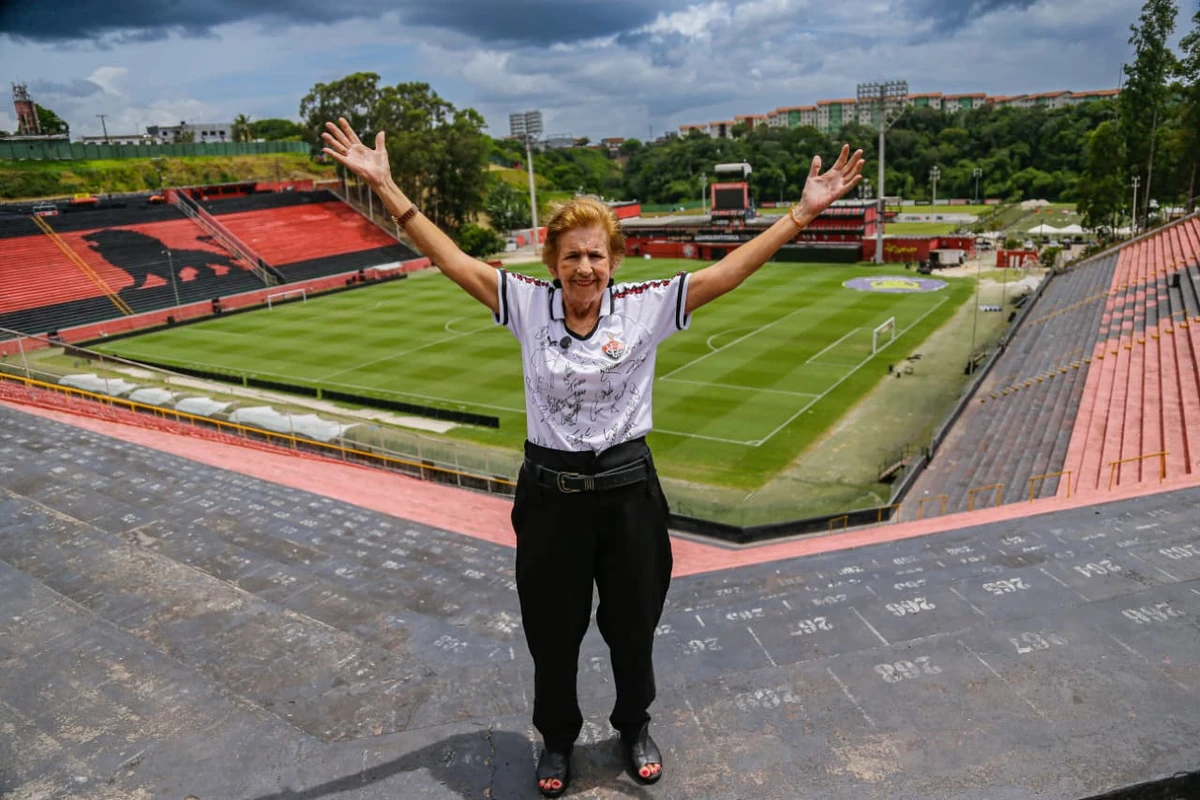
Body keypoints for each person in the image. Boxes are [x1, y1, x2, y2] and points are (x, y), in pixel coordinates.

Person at [322, 117, 863, 797]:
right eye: (573, 255)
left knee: (633, 628)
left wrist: (801, 214)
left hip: (628, 491)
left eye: (597, 256)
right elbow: (453, 259)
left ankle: (634, 726)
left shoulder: (645, 307)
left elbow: (728, 272)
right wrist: (385, 186)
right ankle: (556, 739)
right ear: (552, 260)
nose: (585, 268)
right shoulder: (525, 303)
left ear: (614, 261)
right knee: (552, 634)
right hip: (550, 498)